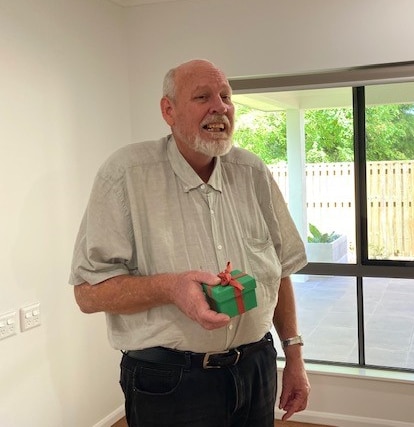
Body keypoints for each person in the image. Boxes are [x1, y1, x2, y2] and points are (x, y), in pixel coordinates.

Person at [69, 59, 310, 426]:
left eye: (226, 96)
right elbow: (88, 293)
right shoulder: (125, 174)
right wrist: (170, 287)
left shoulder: (252, 172)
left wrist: (293, 356)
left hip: (256, 368)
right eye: (202, 96)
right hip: (169, 383)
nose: (221, 107)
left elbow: (280, 270)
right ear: (169, 110)